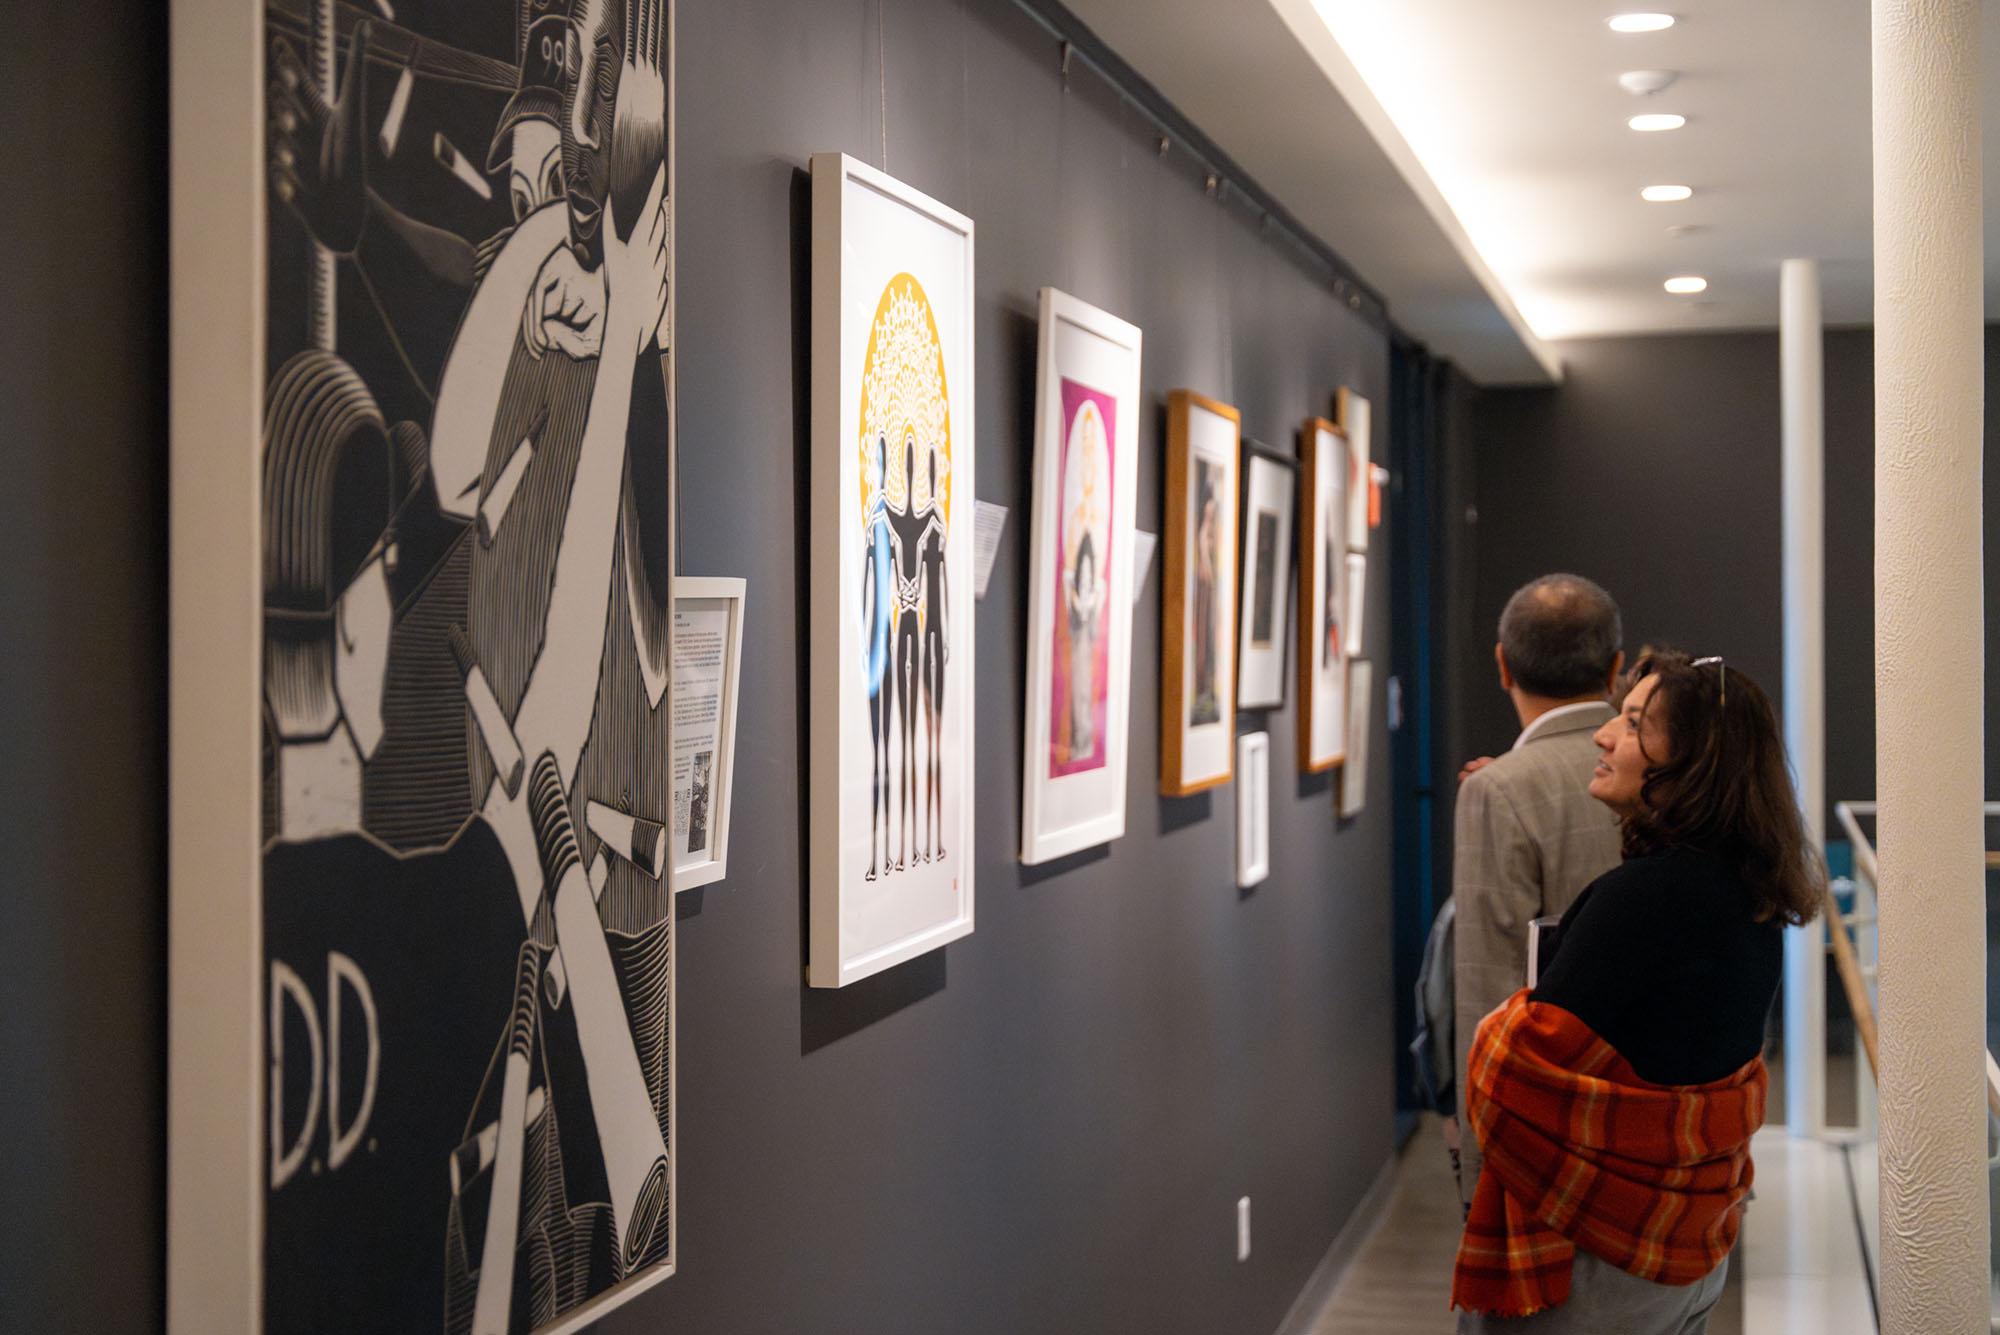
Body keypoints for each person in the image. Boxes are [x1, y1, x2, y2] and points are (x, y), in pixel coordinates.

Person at [1451, 649, 1823, 1332]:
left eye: (1631, 722)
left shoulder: (1643, 898)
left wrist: (1496, 1030)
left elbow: (1512, 1069)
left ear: (1686, 759)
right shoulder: (1743, 886)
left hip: (1602, 1265)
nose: (1603, 734)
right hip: (1690, 1244)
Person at [1450, 574, 1626, 1210]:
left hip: (1546, 1134)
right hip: (1658, 1122)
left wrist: (1479, 1170)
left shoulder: (1498, 790)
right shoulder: (1673, 765)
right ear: (1616, 668)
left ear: (1502, 666)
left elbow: (1486, 984)